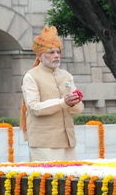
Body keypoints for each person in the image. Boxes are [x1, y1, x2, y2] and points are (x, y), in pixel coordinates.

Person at [20, 25, 84, 162]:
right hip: (44, 144)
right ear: (39, 56)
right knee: (47, 183)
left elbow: (78, 110)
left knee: (71, 182)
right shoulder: (31, 76)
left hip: (68, 142)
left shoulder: (66, 76)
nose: (56, 56)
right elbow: (34, 107)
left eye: (58, 52)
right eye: (51, 52)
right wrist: (63, 102)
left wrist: (74, 103)